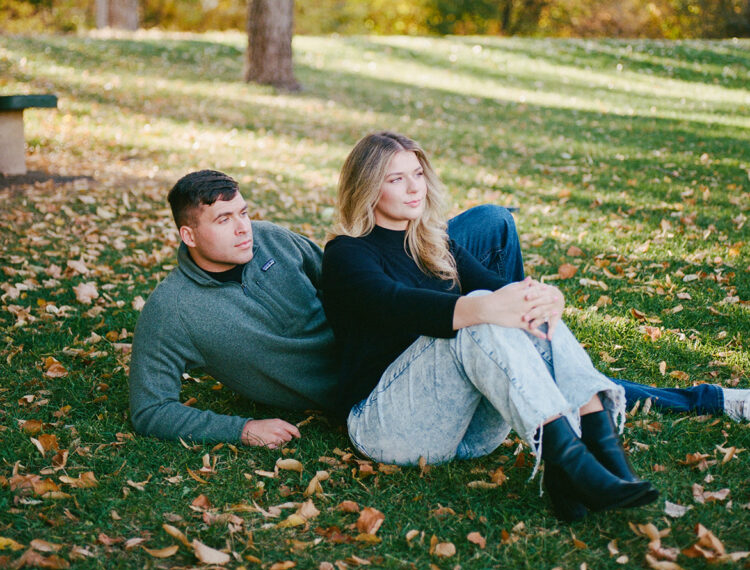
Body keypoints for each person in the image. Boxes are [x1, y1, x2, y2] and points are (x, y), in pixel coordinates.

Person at [129, 168, 750, 456]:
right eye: (222, 221)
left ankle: (530, 347)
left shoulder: (272, 240)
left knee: (491, 224)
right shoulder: (172, 312)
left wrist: (482, 299)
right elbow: (151, 409)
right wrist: (240, 429)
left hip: (382, 331)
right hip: (376, 376)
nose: (244, 230)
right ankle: (557, 366)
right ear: (187, 236)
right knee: (493, 326)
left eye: (243, 212)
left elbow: (352, 291)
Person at [320, 134, 662, 519]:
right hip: (387, 429)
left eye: (418, 173)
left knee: (518, 304)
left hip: (468, 430)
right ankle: (570, 461)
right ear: (367, 188)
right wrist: (485, 307)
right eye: (396, 179)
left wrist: (547, 299)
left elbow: (503, 291)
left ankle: (599, 444)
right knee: (479, 315)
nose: (415, 187)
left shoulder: (436, 243)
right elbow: (395, 304)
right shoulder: (346, 253)